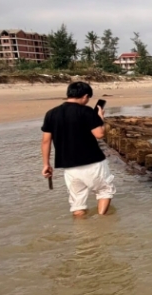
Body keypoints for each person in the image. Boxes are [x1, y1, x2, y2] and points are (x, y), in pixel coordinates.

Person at [41, 81, 116, 217]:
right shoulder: (86, 111)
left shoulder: (51, 113)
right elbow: (99, 134)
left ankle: (81, 231)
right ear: (85, 96)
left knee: (77, 202)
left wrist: (46, 164)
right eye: (88, 98)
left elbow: (46, 141)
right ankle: (102, 223)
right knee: (104, 191)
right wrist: (100, 119)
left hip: (69, 167)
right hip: (93, 162)